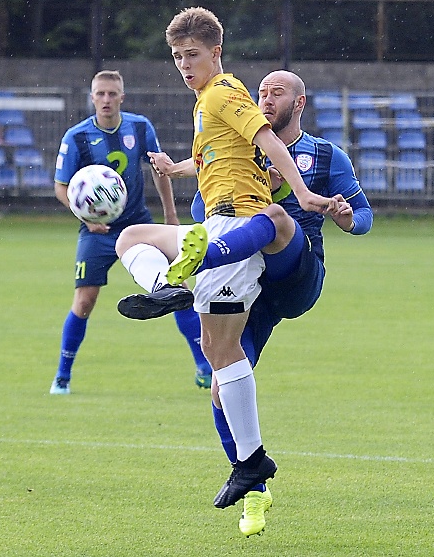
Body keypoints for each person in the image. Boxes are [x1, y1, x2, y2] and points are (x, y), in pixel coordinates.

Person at [116, 69, 373, 536]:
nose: (265, 98)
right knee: (221, 385)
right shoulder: (237, 159)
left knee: (274, 217)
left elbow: (367, 217)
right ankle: (252, 485)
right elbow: (204, 208)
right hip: (244, 280)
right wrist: (178, 175)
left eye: (276, 93)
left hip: (294, 273)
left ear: (299, 103)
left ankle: (195, 266)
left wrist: (347, 217)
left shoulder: (323, 155)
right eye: (261, 93)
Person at [49, 69, 212, 395]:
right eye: (100, 94)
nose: (106, 100)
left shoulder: (139, 127)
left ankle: (204, 367)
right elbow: (61, 187)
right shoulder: (76, 137)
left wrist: (169, 215)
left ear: (121, 97)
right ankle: (62, 376)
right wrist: (83, 216)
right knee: (85, 300)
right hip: (97, 231)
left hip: (139, 227)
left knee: (176, 287)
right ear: (92, 97)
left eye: (112, 94)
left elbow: (158, 171)